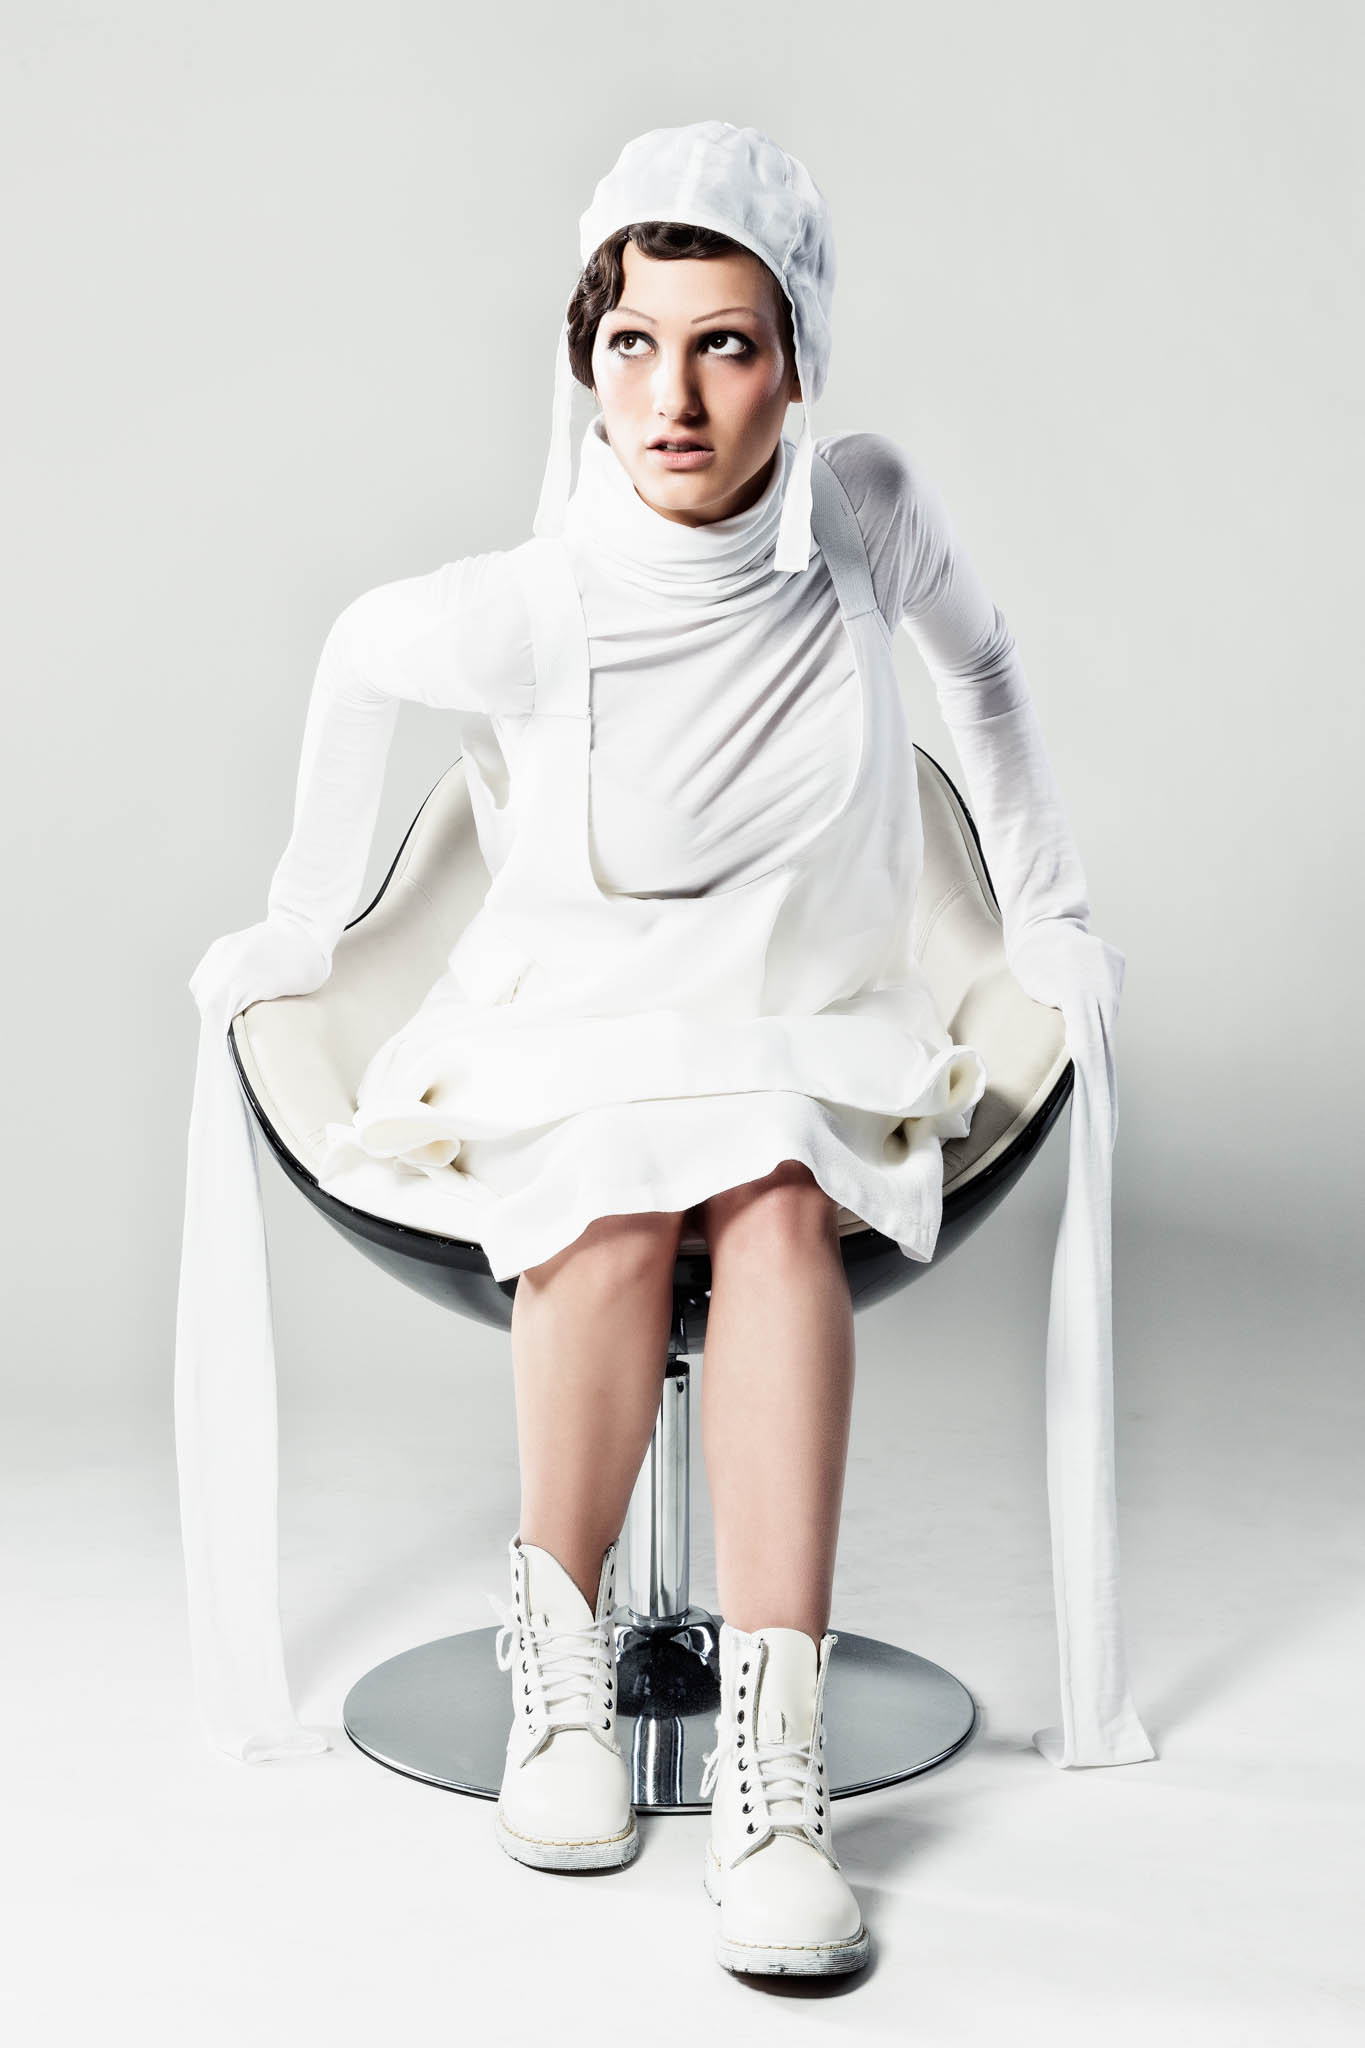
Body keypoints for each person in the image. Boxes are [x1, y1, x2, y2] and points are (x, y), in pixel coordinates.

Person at [175, 120, 1155, 1982]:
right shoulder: (534, 603)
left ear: (796, 358)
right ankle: (556, 1677)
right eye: (634, 341)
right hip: (579, 1011)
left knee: (777, 1197)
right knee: (617, 1204)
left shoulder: (860, 514)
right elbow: (359, 657)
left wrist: (1041, 909)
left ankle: (775, 1777)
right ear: (583, 357)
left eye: (726, 343)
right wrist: (304, 923)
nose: (676, 396)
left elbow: (990, 670)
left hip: (806, 1010)